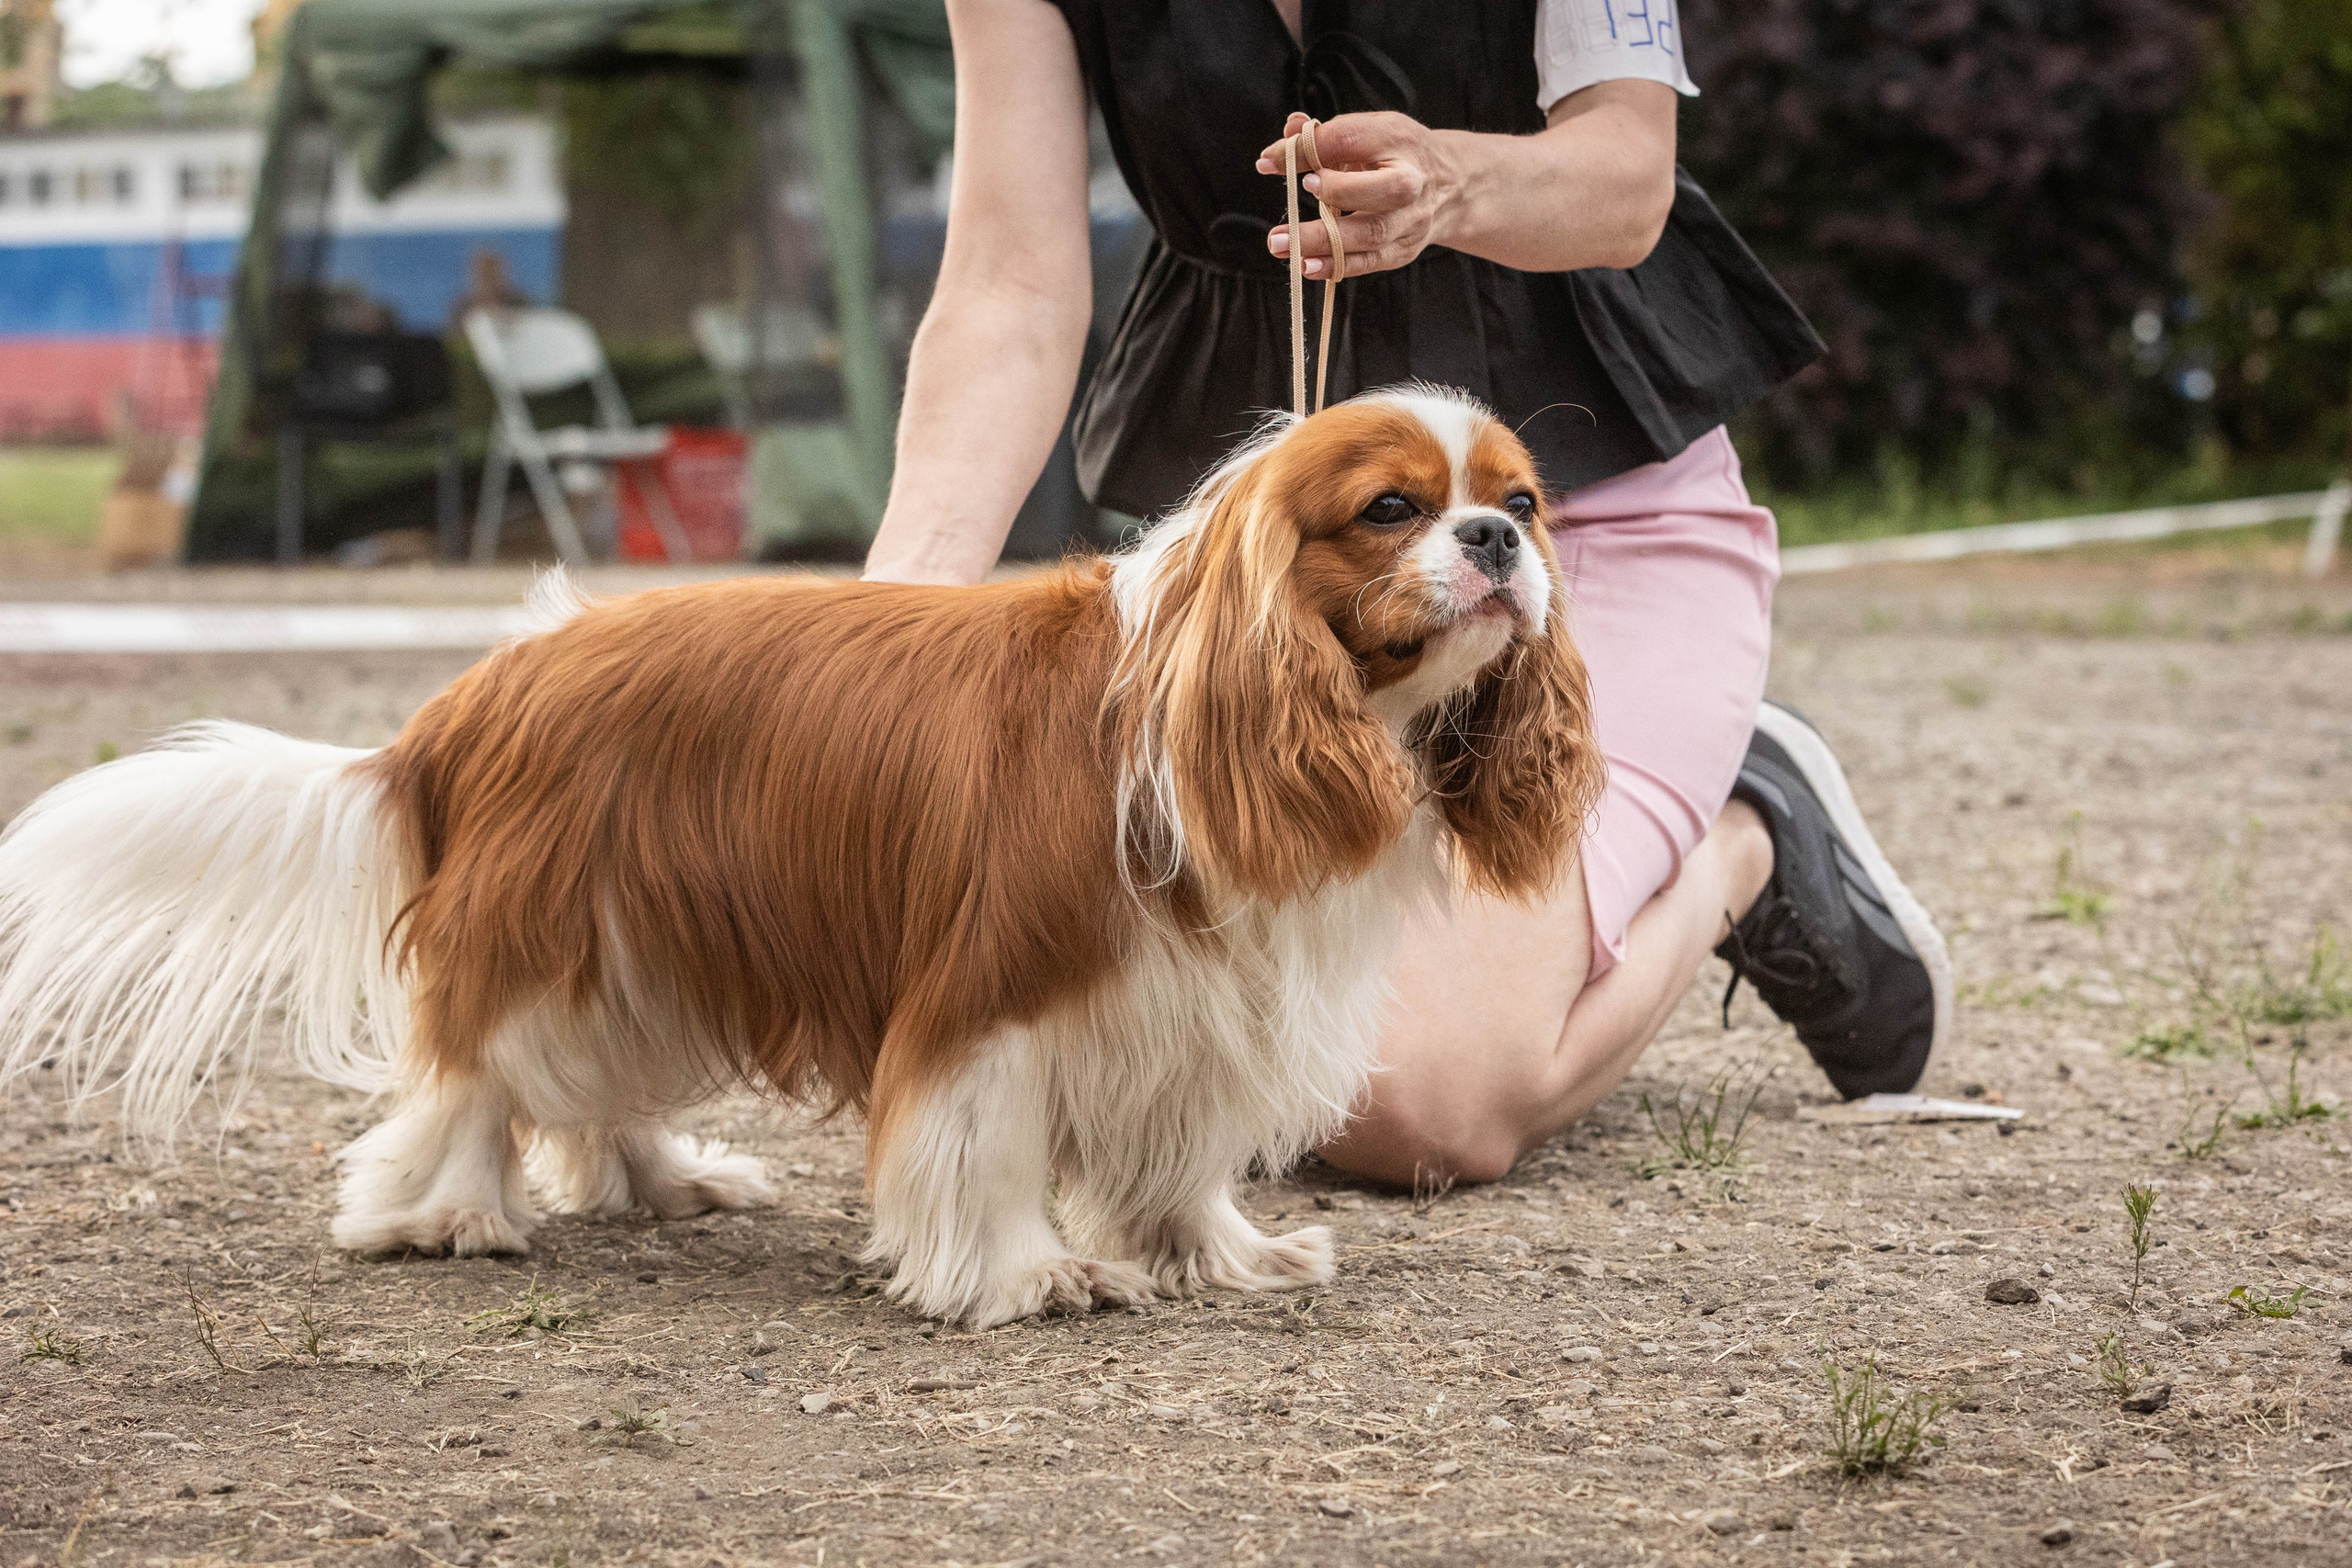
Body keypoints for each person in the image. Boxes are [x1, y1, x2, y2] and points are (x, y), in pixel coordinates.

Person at [863, 0, 1953, 1186]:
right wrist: (879, 637)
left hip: (1565, 535)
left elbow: (1628, 177)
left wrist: (1453, 184)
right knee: (1110, 1031)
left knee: (1414, 1104)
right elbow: (1010, 286)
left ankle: (1750, 834)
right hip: (1284, 585)